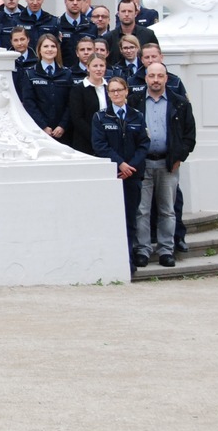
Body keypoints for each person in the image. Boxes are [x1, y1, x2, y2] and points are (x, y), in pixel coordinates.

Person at [128, 63, 197, 269]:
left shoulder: (180, 103)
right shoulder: (134, 102)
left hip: (169, 164)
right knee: (142, 210)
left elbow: (189, 136)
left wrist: (179, 157)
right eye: (152, 76)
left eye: (160, 76)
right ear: (146, 78)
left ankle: (166, 250)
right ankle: (142, 250)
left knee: (167, 210)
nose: (156, 80)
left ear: (166, 78)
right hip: (143, 163)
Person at [91, 78, 150, 271]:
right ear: (108, 94)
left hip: (132, 174)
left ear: (126, 91)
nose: (116, 94)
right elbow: (100, 146)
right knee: (114, 218)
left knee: (131, 218)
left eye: (119, 90)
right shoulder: (100, 117)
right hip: (113, 174)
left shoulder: (137, 116)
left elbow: (143, 144)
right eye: (112, 91)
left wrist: (130, 166)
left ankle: (129, 259)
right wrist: (120, 164)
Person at [21, 33, 72, 141]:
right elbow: (29, 103)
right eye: (45, 46)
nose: (49, 49)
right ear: (39, 49)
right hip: (38, 130)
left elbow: (71, 103)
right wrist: (42, 126)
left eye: (53, 46)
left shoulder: (67, 74)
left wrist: (62, 126)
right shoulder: (30, 74)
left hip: (63, 131)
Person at [68, 55, 109, 156]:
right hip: (85, 142)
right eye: (95, 66)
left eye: (101, 65)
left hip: (109, 141)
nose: (99, 69)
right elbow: (77, 118)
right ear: (88, 67)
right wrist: (96, 136)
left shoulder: (109, 88)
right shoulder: (78, 89)